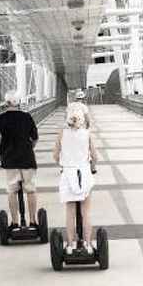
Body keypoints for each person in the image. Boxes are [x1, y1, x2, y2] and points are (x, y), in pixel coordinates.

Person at [0, 91, 40, 228]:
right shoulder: (26, 117)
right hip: (27, 158)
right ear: (19, 103)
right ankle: (33, 221)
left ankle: (15, 222)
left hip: (9, 159)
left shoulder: (1, 118)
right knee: (30, 189)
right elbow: (35, 138)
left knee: (12, 190)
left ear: (6, 103)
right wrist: (29, 148)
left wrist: (0, 150)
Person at [53, 102, 98, 254]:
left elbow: (55, 155)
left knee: (70, 213)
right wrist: (92, 167)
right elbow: (95, 156)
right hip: (84, 173)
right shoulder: (87, 134)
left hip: (68, 174)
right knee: (86, 212)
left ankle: (71, 245)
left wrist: (63, 164)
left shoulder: (62, 133)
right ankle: (88, 244)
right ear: (83, 118)